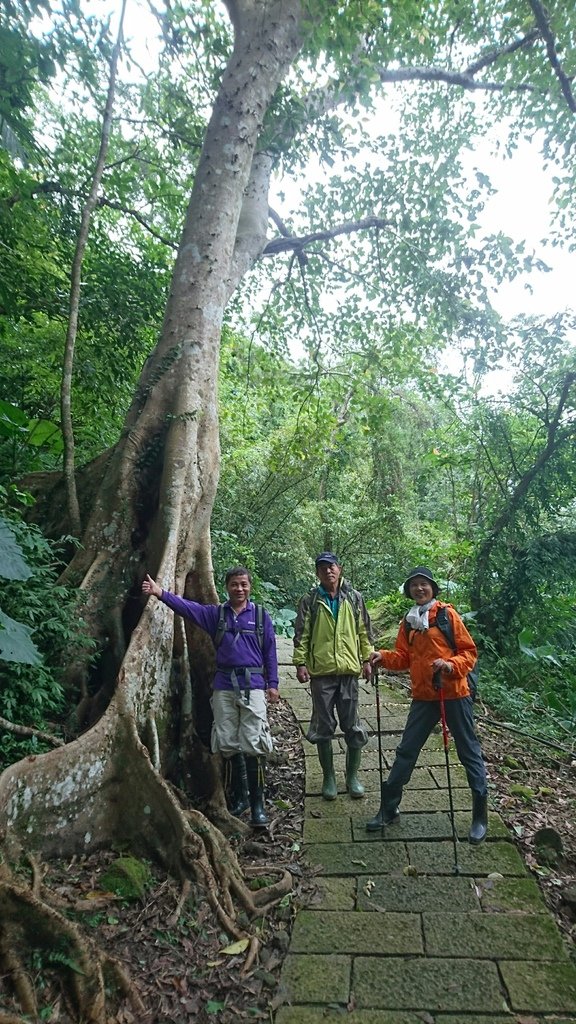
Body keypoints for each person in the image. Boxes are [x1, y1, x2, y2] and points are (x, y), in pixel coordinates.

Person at [141, 566, 279, 827]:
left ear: (250, 587)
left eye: (243, 584)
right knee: (227, 742)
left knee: (254, 741)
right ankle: (239, 798)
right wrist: (160, 593)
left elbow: (270, 651)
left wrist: (272, 684)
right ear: (226, 587)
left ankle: (258, 806)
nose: (239, 589)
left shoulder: (261, 616)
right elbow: (187, 608)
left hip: (253, 686)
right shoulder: (216, 614)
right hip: (224, 685)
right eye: (234, 584)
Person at [365, 566, 488, 844]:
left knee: (468, 752)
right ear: (409, 590)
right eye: (414, 585)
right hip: (423, 697)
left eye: (424, 584)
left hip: (454, 693)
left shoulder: (447, 615)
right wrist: (380, 657)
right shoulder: (408, 622)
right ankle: (389, 807)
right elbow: (402, 657)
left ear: (432, 588)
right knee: (406, 750)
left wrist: (450, 665)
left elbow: (469, 653)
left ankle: (480, 815)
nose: (419, 589)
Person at [293, 552, 374, 800]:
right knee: (323, 725)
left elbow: (364, 632)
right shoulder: (310, 600)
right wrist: (300, 663)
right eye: (323, 568)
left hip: (349, 671)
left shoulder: (354, 598)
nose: (328, 571)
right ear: (317, 573)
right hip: (322, 673)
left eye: (332, 566)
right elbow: (302, 634)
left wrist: (367, 659)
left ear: (340, 569)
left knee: (352, 724)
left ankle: (352, 777)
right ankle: (329, 777)